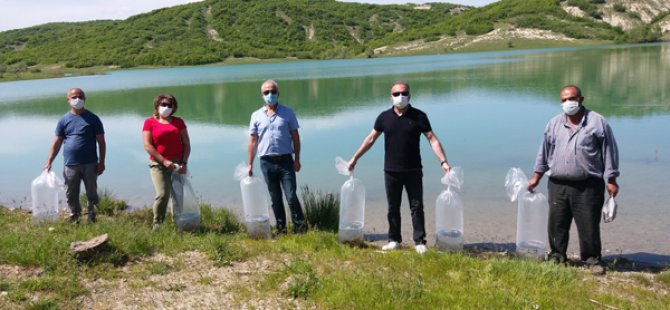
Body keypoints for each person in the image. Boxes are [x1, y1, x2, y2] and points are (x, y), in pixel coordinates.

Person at [347, 81, 451, 254]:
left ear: (409, 96)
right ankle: (394, 239)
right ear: (391, 97)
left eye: (403, 93)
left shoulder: (419, 116)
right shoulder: (384, 117)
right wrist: (354, 158)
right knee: (392, 207)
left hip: (413, 170)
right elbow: (370, 139)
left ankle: (420, 241)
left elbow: (432, 139)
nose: (400, 97)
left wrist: (443, 162)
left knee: (416, 206)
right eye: (396, 94)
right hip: (391, 170)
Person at [527, 85, 619, 275]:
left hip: (588, 185)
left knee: (589, 225)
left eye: (571, 99)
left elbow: (610, 151)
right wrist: (536, 177)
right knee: (556, 224)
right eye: (564, 100)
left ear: (581, 99)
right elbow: (543, 153)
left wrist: (612, 179)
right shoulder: (553, 124)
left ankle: (592, 259)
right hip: (558, 184)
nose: (568, 103)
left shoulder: (597, 122)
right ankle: (557, 257)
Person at [247, 80, 306, 235]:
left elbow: (295, 137)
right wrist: (249, 164)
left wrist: (297, 159)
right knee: (275, 199)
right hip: (266, 163)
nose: (270, 95)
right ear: (262, 95)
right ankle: (281, 229)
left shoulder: (288, 113)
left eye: (272, 91)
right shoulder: (256, 116)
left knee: (291, 196)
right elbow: (253, 141)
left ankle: (300, 228)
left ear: (278, 94)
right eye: (266, 92)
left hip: (286, 161)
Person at [45, 88, 106, 223]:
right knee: (71, 193)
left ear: (84, 99)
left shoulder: (93, 119)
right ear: (68, 100)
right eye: (74, 97)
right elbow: (56, 143)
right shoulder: (63, 120)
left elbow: (101, 142)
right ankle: (75, 214)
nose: (77, 99)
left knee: (91, 191)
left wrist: (101, 162)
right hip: (70, 164)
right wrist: (49, 161)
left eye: (80, 96)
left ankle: (92, 214)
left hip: (90, 163)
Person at [142, 94, 191, 230]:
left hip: (177, 165)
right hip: (158, 164)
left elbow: (186, 144)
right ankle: (157, 223)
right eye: (163, 104)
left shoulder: (179, 122)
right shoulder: (149, 122)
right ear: (157, 105)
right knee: (162, 194)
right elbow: (148, 145)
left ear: (174, 108)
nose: (166, 107)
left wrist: (184, 163)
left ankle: (177, 223)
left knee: (178, 196)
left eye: (170, 105)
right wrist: (163, 161)